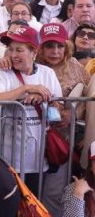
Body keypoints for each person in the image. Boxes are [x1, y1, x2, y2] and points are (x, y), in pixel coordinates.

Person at [0, 25, 63, 202]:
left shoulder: (47, 73)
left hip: (38, 160)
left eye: (19, 50)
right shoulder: (3, 72)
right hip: (8, 159)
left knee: (33, 206)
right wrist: (27, 88)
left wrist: (45, 98)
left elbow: (59, 109)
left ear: (34, 53)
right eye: (10, 49)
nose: (13, 55)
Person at [36, 23, 90, 215]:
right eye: (49, 46)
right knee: (32, 186)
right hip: (31, 135)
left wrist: (72, 114)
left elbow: (86, 102)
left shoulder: (75, 67)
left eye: (60, 46)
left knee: (53, 190)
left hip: (61, 140)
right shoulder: (30, 64)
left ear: (66, 47)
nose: (55, 51)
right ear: (40, 47)